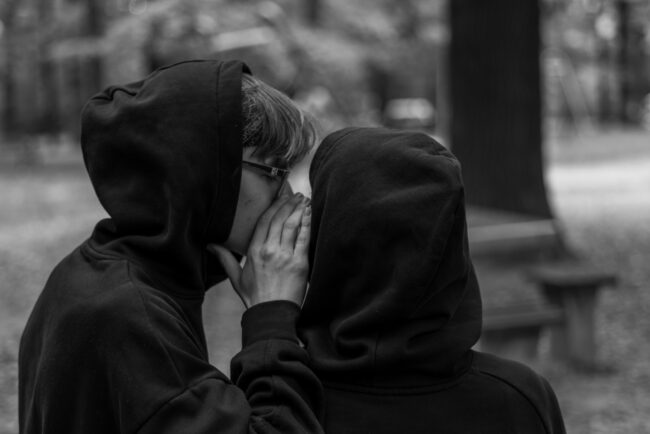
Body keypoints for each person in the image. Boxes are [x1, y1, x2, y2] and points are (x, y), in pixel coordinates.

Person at [19, 59, 324, 434]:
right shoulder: (127, 315)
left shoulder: (100, 273)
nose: (289, 195)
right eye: (274, 171)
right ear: (203, 173)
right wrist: (272, 319)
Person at [298, 127, 566, 434]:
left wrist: (270, 318)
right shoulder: (519, 399)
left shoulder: (282, 404)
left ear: (325, 237)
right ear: (451, 242)